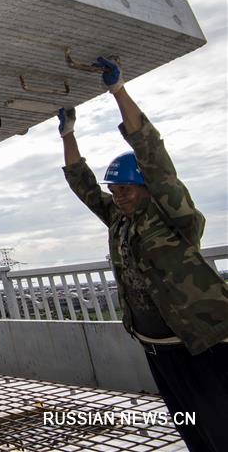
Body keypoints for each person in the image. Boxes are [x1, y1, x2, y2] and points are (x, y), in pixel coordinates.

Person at [58, 56, 228, 452]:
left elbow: (153, 155)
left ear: (148, 188)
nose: (119, 195)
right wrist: (68, 134)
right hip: (157, 348)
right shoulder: (119, 218)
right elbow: (83, 186)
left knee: (223, 429)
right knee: (194, 431)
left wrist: (118, 91)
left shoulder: (175, 216)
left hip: (203, 344)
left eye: (127, 188)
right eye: (115, 190)